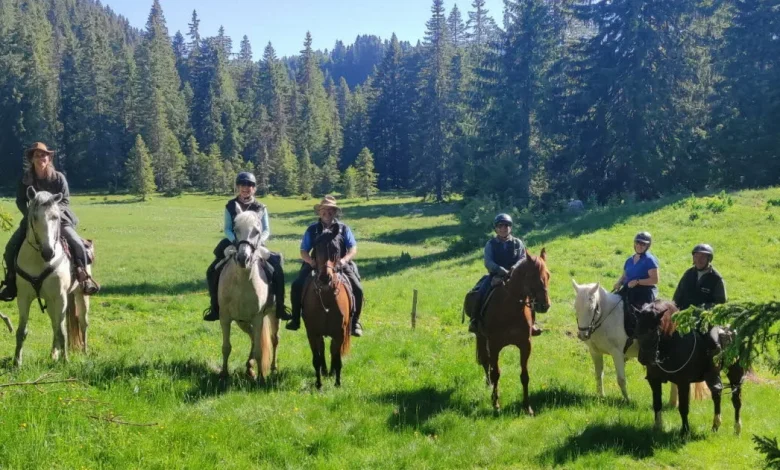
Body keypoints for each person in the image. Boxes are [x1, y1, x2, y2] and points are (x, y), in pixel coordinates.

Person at [0, 142, 99, 301]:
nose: (41, 158)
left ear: (49, 158)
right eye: (37, 155)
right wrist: (30, 215)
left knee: (77, 243)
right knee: (10, 248)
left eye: (44, 155)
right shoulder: (25, 179)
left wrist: (51, 214)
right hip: (33, 220)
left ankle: (83, 276)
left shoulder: (58, 177)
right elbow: (20, 201)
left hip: (57, 219)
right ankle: (11, 283)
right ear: (32, 158)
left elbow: (65, 200)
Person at [202, 172, 290, 322]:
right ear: (238, 187)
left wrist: (257, 242)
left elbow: (266, 229)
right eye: (242, 185)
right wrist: (237, 242)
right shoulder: (230, 206)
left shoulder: (261, 207)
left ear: (254, 189)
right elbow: (228, 228)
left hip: (256, 243)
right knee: (212, 270)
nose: (246, 188)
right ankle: (215, 307)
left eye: (249, 185)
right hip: (234, 242)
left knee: (276, 268)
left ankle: (280, 306)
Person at [286, 195, 364, 336]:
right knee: (296, 285)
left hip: (339, 263)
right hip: (315, 263)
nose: (327, 213)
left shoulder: (343, 229)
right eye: (324, 210)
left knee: (357, 288)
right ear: (319, 211)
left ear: (335, 212)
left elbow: (353, 248)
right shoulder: (312, 229)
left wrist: (344, 260)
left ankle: (355, 322)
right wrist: (310, 261)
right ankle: (295, 318)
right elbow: (303, 250)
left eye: (330, 210)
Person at [467, 214, 541, 336]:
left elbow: (523, 258)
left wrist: (514, 268)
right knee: (481, 292)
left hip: (516, 277)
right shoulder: (490, 244)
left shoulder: (518, 243)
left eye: (506, 225)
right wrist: (500, 269)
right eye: (500, 226)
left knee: (530, 292)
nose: (503, 228)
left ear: (510, 227)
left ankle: (532, 323)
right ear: (496, 228)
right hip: (495, 276)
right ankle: (475, 320)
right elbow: (488, 261)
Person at [673, 243, 727, 357]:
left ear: (709, 259)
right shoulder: (688, 274)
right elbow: (678, 295)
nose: (699, 260)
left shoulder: (716, 279)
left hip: (706, 319)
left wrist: (702, 310)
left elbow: (720, 303)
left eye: (703, 257)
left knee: (713, 343)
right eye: (696, 256)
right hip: (684, 316)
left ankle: (713, 372)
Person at [612, 231, 659, 344]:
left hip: (644, 291)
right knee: (613, 305)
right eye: (637, 242)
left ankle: (639, 337)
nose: (639, 245)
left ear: (647, 246)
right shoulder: (629, 260)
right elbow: (624, 276)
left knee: (639, 313)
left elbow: (655, 280)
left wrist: (638, 282)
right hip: (629, 288)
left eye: (643, 244)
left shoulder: (650, 260)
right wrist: (619, 283)